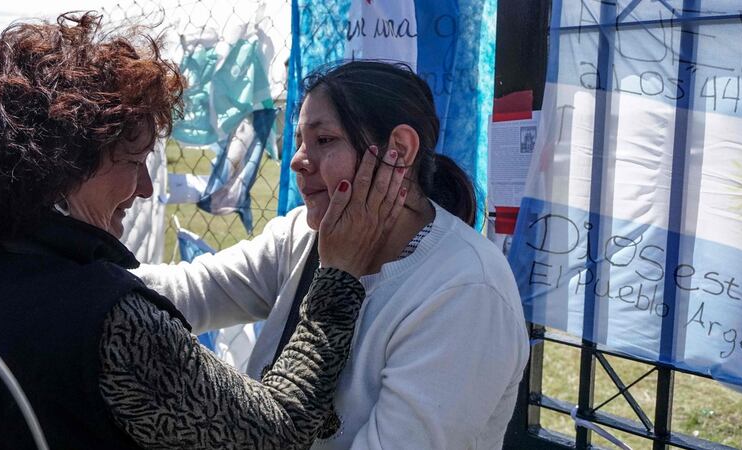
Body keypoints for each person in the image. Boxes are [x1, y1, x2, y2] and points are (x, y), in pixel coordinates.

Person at [0, 14, 407, 449]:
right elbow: (272, 433)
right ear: (59, 169)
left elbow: (201, 286)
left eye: (324, 141)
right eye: (131, 163)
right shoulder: (114, 325)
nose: (146, 188)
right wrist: (339, 278)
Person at [135, 60, 530, 449]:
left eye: (324, 141)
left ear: (399, 149)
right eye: (299, 141)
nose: (297, 160)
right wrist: (86, 273)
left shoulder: (466, 291)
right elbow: (188, 292)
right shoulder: (304, 237)